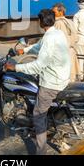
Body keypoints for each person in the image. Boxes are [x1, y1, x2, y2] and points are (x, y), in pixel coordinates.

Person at [5, 9, 70, 155]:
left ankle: (41, 151)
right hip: (62, 75)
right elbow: (38, 46)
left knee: (38, 115)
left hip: (52, 82)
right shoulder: (56, 33)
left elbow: (38, 65)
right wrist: (24, 51)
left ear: (41, 22)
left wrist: (15, 67)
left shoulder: (49, 37)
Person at [51, 3, 80, 81]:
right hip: (71, 51)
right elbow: (76, 38)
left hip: (63, 53)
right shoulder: (69, 21)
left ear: (61, 12)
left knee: (62, 77)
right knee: (70, 76)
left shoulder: (58, 23)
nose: (52, 14)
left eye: (54, 12)